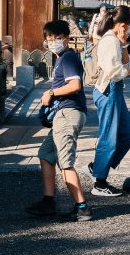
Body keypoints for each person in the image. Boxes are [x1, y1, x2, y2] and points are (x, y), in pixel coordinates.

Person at [26, 20, 91, 222]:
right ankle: (48, 201)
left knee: (65, 163)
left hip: (68, 113)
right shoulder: (62, 58)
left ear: (66, 38)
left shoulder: (68, 58)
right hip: (64, 114)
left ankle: (82, 208)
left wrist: (51, 92)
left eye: (57, 38)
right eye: (49, 39)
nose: (53, 41)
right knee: (46, 154)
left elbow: (75, 85)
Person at [89, 5, 130, 196]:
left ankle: (98, 167)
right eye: (129, 25)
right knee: (110, 136)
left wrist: (124, 45)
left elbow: (124, 63)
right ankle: (100, 182)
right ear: (122, 25)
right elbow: (116, 73)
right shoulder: (109, 41)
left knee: (128, 135)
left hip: (114, 91)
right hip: (108, 90)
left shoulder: (116, 40)